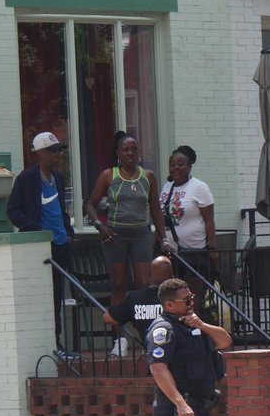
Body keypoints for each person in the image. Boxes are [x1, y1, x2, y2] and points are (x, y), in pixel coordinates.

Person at [146, 277, 232, 416]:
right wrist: (181, 404)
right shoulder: (164, 329)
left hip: (200, 409)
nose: (192, 302)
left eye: (192, 297)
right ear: (169, 304)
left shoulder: (193, 325)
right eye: (186, 300)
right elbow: (158, 369)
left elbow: (225, 341)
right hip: (180, 413)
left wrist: (202, 324)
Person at [6, 130, 75, 359]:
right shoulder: (26, 179)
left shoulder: (59, 177)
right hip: (39, 247)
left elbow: (61, 211)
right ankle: (50, 343)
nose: (58, 155)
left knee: (57, 296)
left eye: (59, 150)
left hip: (61, 244)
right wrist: (36, 229)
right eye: (54, 150)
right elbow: (13, 211)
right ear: (41, 153)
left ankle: (57, 343)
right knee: (43, 296)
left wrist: (69, 230)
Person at [85, 133, 168, 306]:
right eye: (125, 150)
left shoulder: (149, 176)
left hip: (141, 234)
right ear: (118, 153)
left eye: (134, 149)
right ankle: (118, 331)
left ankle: (142, 326)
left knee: (144, 284)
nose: (130, 153)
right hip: (115, 235)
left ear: (139, 153)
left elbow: (155, 209)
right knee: (118, 285)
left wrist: (164, 238)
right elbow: (90, 205)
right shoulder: (109, 175)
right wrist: (100, 226)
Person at [159, 145, 218, 285]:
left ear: (189, 167)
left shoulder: (199, 187)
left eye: (180, 164)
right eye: (172, 165)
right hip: (171, 252)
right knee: (173, 292)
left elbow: (209, 219)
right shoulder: (167, 187)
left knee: (193, 292)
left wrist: (213, 249)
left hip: (194, 252)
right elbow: (161, 217)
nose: (176, 168)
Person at [102, 255, 173, 353]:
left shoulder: (135, 297)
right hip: (176, 353)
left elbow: (107, 318)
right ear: (171, 276)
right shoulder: (177, 297)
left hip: (152, 352)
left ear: (148, 273)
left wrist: (132, 316)